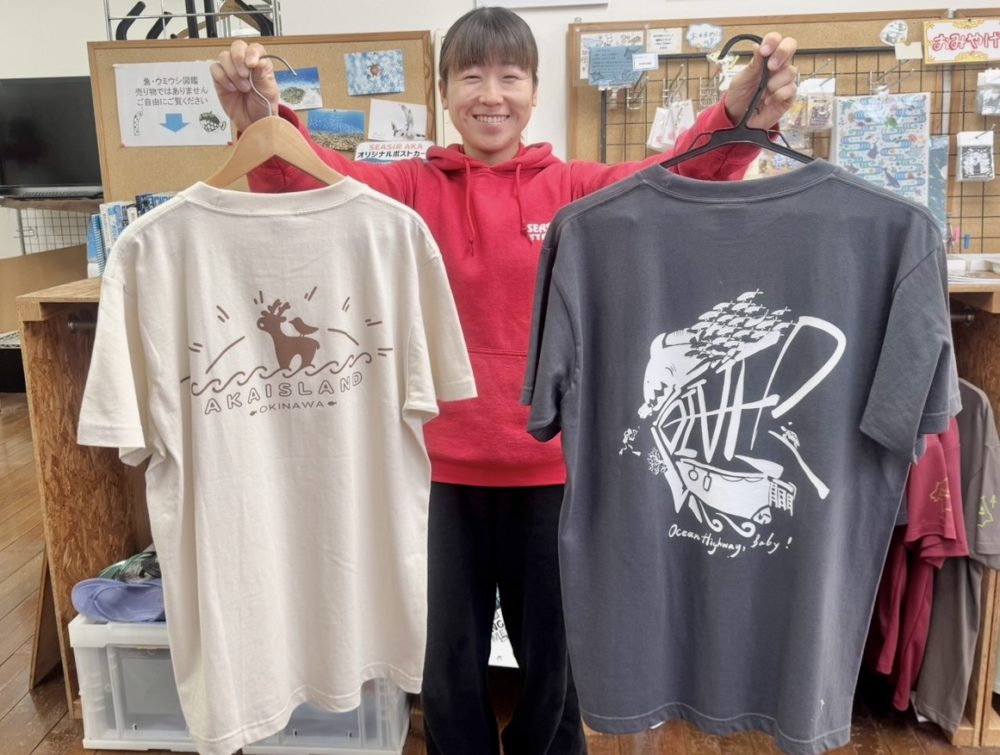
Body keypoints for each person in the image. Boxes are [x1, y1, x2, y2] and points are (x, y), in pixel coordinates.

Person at [211, 9, 798, 754]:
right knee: (445, 670)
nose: (491, 95)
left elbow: (670, 183)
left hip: (553, 473)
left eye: (510, 76)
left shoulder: (577, 190)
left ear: (534, 90)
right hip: (431, 478)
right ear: (444, 92)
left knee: (556, 670)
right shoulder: (406, 190)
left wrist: (737, 117)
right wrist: (263, 120)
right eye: (471, 76)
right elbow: (313, 182)